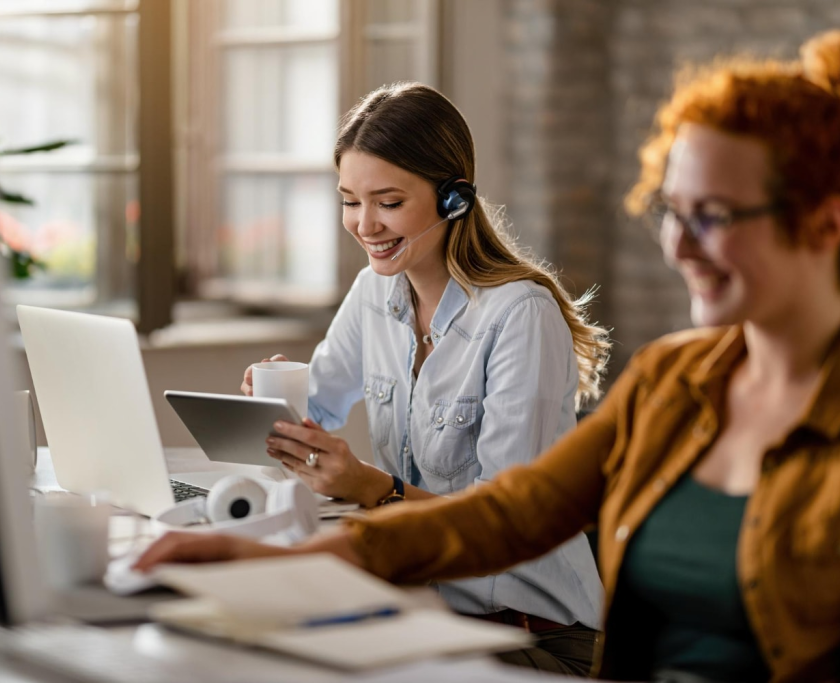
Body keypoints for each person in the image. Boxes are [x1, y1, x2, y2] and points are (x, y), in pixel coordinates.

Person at [143, 31, 840, 678]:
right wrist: (255, 563)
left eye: (710, 216)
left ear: (824, 224)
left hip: (531, 631)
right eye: (669, 211)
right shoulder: (671, 381)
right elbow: (505, 515)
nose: (677, 246)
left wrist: (361, 497)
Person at [240, 82, 611, 674]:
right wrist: (278, 393)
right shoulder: (375, 291)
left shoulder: (521, 315)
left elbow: (506, 526)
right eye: (348, 200)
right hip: (424, 614)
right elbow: (321, 407)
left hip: (530, 636)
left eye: (388, 202)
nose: (364, 224)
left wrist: (370, 488)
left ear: (454, 200)